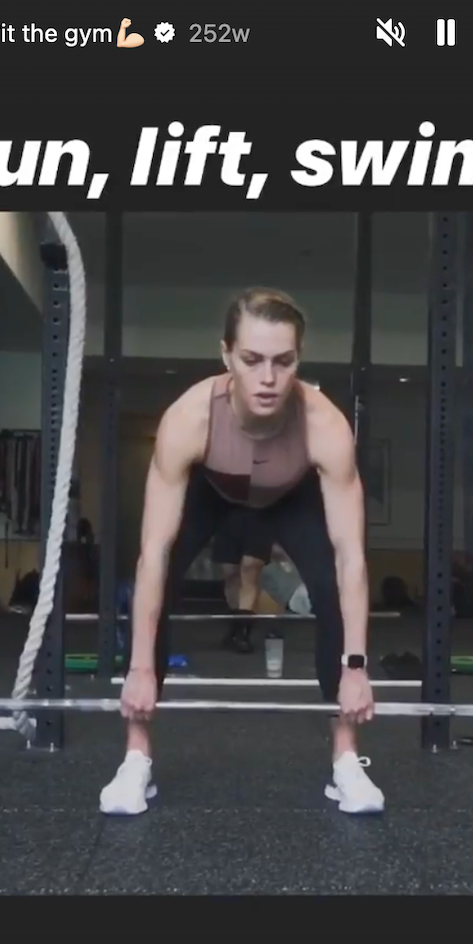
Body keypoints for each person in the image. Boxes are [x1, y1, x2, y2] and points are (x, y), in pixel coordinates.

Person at [100, 287, 384, 818]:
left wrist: (357, 667)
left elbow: (351, 557)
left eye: (284, 361)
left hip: (290, 493)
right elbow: (153, 553)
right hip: (214, 489)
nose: (270, 378)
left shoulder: (325, 425)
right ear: (226, 354)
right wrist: (139, 666)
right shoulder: (189, 420)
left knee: (326, 583)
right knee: (156, 586)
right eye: (253, 360)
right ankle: (136, 757)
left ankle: (347, 761)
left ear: (299, 358)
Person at [213, 509, 273, 652]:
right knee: (230, 571)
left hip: (261, 512)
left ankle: (243, 633)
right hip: (229, 511)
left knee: (250, 567)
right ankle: (235, 627)